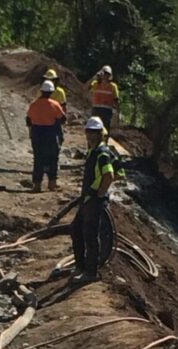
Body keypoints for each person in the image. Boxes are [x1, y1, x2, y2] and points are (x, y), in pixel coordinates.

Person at [70, 116, 115, 285]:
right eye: (88, 132)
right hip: (87, 200)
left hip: (94, 201)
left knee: (90, 236)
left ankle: (90, 272)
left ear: (99, 134)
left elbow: (109, 176)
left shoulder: (102, 154)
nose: (90, 135)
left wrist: (98, 195)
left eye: (93, 133)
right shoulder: (93, 151)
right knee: (76, 230)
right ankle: (81, 267)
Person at [26, 80, 66, 193]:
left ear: (41, 91)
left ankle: (37, 185)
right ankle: (52, 184)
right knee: (53, 159)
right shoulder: (55, 104)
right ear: (51, 92)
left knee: (38, 159)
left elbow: (28, 120)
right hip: (50, 135)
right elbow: (63, 119)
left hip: (37, 134)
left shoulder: (34, 104)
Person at [89, 65, 120, 132]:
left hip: (107, 111)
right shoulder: (95, 84)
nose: (106, 76)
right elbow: (84, 88)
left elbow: (116, 100)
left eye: (107, 74)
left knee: (105, 130)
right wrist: (93, 78)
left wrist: (118, 114)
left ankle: (104, 141)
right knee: (94, 129)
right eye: (104, 73)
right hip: (96, 110)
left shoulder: (113, 86)